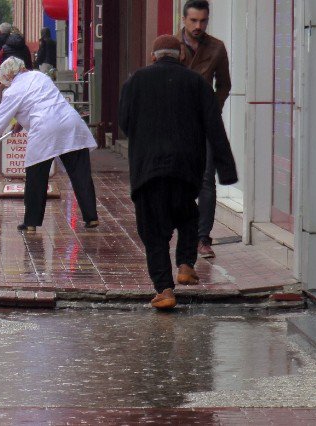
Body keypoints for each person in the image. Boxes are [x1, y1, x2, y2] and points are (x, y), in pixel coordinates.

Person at [119, 35, 237, 310]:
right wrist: (226, 171)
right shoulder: (197, 83)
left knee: (154, 233)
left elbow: (124, 123)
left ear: (153, 57)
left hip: (148, 171)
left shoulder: (135, 82)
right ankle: (185, 263)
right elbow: (214, 128)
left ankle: (165, 289)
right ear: (182, 56)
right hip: (185, 169)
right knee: (187, 217)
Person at [0, 57, 99, 233]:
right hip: (69, 123)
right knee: (80, 174)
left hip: (45, 129)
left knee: (37, 176)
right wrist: (20, 122)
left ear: (8, 75)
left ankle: (31, 222)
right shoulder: (40, 76)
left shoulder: (12, 92)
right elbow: (39, 101)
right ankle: (91, 217)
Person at [176, 0, 231, 259]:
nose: (198, 26)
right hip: (175, 122)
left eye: (203, 21)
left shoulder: (217, 47)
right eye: (193, 21)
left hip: (205, 122)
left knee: (207, 180)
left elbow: (224, 85)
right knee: (178, 178)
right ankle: (180, 232)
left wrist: (213, 108)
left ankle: (203, 238)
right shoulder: (170, 46)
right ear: (184, 19)